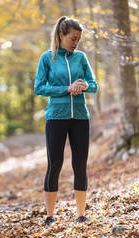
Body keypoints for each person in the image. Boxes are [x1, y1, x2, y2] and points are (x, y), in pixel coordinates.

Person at [34, 16, 98, 226]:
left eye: (78, 39)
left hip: (80, 117)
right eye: (72, 38)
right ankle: (50, 216)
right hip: (56, 117)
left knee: (80, 164)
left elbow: (94, 84)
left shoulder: (80, 57)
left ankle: (81, 214)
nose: (75, 43)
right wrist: (66, 89)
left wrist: (85, 86)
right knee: (55, 164)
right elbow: (39, 88)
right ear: (61, 36)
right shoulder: (47, 58)